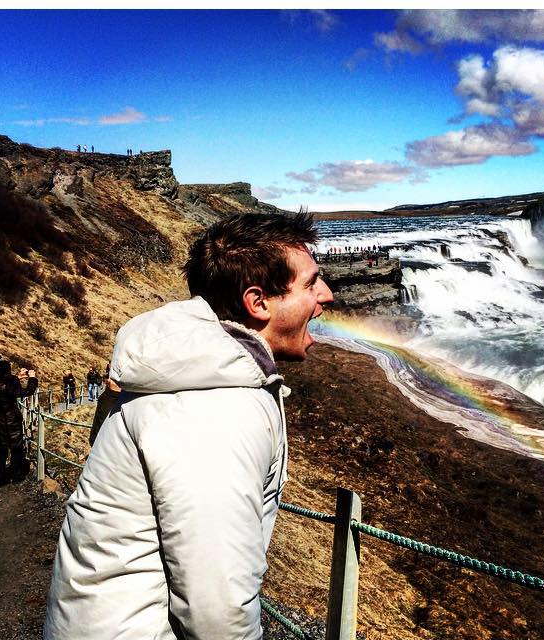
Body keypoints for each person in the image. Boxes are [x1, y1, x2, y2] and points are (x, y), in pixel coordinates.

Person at [45, 211, 333, 639]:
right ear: (258, 303)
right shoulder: (217, 409)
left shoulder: (185, 372)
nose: (326, 294)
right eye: (311, 283)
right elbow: (216, 609)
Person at [0, 359, 37, 487]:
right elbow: (25, 392)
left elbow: (5, 385)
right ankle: (16, 475)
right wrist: (32, 378)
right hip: (11, 419)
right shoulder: (10, 383)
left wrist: (17, 377)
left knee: (2, 449)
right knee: (16, 448)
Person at [88, 377, 121, 446]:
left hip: (105, 447)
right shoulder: (106, 397)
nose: (108, 380)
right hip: (100, 444)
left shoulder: (111, 401)